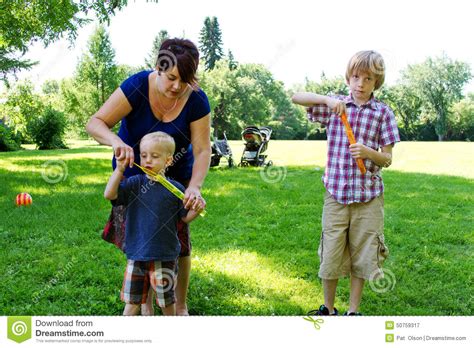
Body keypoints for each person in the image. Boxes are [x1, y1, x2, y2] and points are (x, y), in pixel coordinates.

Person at [86, 38, 211, 315]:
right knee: (141, 235)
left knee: (177, 237)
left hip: (175, 173)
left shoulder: (197, 99)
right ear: (158, 67)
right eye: (171, 78)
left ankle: (179, 306)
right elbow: (95, 123)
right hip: (133, 169)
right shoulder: (137, 86)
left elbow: (203, 150)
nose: (177, 86)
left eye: (186, 80)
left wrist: (195, 187)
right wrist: (115, 141)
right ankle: (145, 307)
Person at [292, 50, 400, 315]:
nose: (360, 84)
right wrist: (327, 100)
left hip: (368, 198)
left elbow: (387, 159)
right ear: (348, 78)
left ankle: (353, 310)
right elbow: (296, 97)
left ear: (377, 82)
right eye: (355, 77)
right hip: (336, 194)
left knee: (363, 253)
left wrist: (368, 153)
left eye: (368, 79)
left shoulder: (383, 113)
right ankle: (328, 308)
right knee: (331, 251)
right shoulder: (336, 106)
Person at [104, 132, 202, 315]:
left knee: (166, 302)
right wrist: (119, 170)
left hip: (165, 256)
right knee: (132, 303)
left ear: (168, 161)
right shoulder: (134, 184)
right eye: (143, 155)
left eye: (155, 156)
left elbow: (184, 218)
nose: (148, 160)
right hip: (137, 254)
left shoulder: (176, 189)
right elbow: (109, 194)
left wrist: (196, 208)